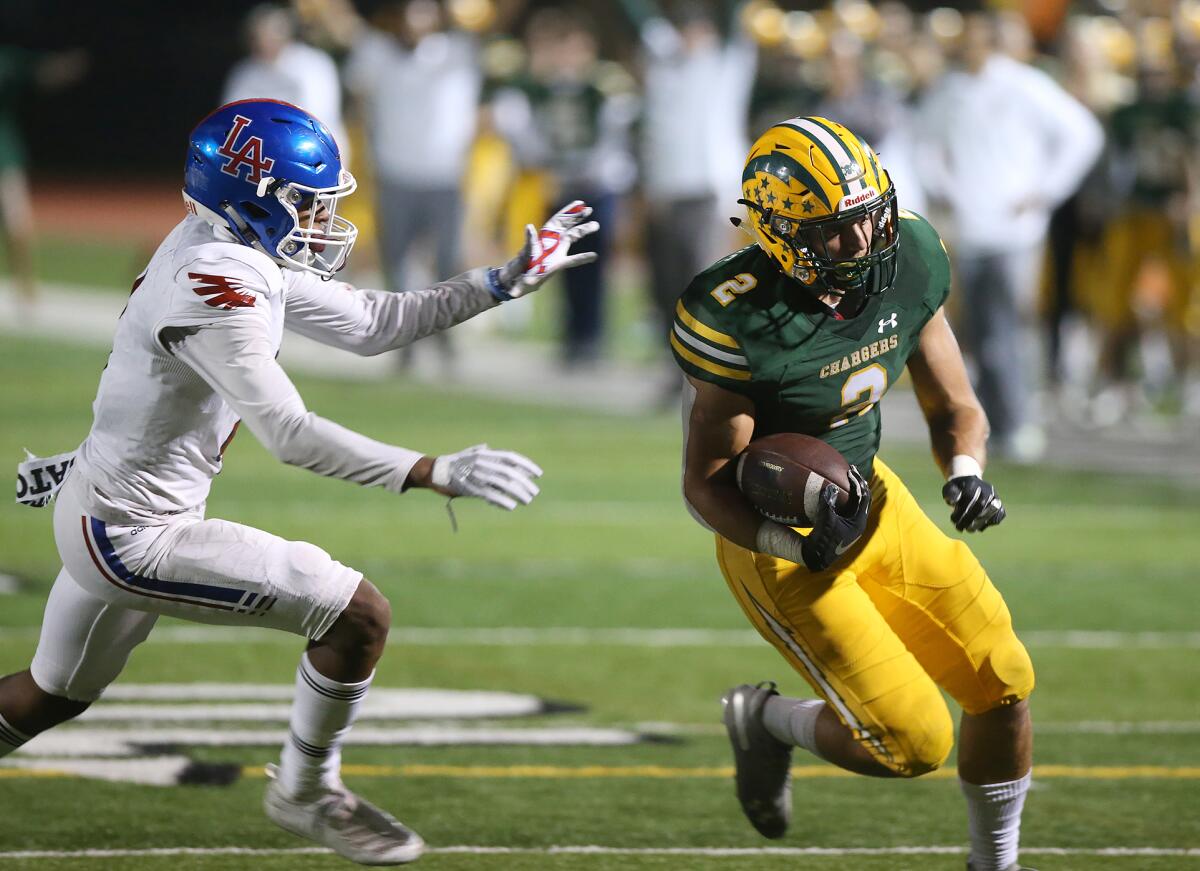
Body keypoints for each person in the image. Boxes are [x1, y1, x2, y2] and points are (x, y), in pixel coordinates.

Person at [0, 99, 597, 866]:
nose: (321, 217)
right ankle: (306, 789)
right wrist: (429, 471)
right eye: (306, 200)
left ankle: (306, 787)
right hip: (133, 534)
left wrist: (500, 282)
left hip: (104, 501)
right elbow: (291, 433)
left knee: (50, 696)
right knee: (357, 616)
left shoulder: (226, 248)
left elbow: (377, 322)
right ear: (249, 196)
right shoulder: (216, 280)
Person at [673, 116, 1037, 871]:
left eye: (872, 216)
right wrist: (793, 541)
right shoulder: (735, 314)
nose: (866, 242)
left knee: (1002, 679)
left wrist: (965, 474)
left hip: (877, 499)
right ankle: (768, 720)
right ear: (779, 232)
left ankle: (994, 864)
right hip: (776, 542)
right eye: (839, 231)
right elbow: (706, 484)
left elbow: (955, 406)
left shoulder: (910, 256)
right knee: (911, 744)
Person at [914, 11, 1102, 462]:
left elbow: (1083, 134)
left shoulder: (1022, 84)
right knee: (979, 333)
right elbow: (923, 142)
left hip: (1016, 229)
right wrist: (943, 191)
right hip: (973, 229)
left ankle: (1019, 421)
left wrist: (1044, 191)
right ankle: (994, 422)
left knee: (1009, 327)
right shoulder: (952, 90)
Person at [223, 5, 350, 164]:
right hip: (260, 156)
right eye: (257, 37)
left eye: (269, 36)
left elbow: (315, 119)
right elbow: (230, 118)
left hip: (315, 155)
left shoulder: (314, 64)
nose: (263, 43)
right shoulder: (244, 72)